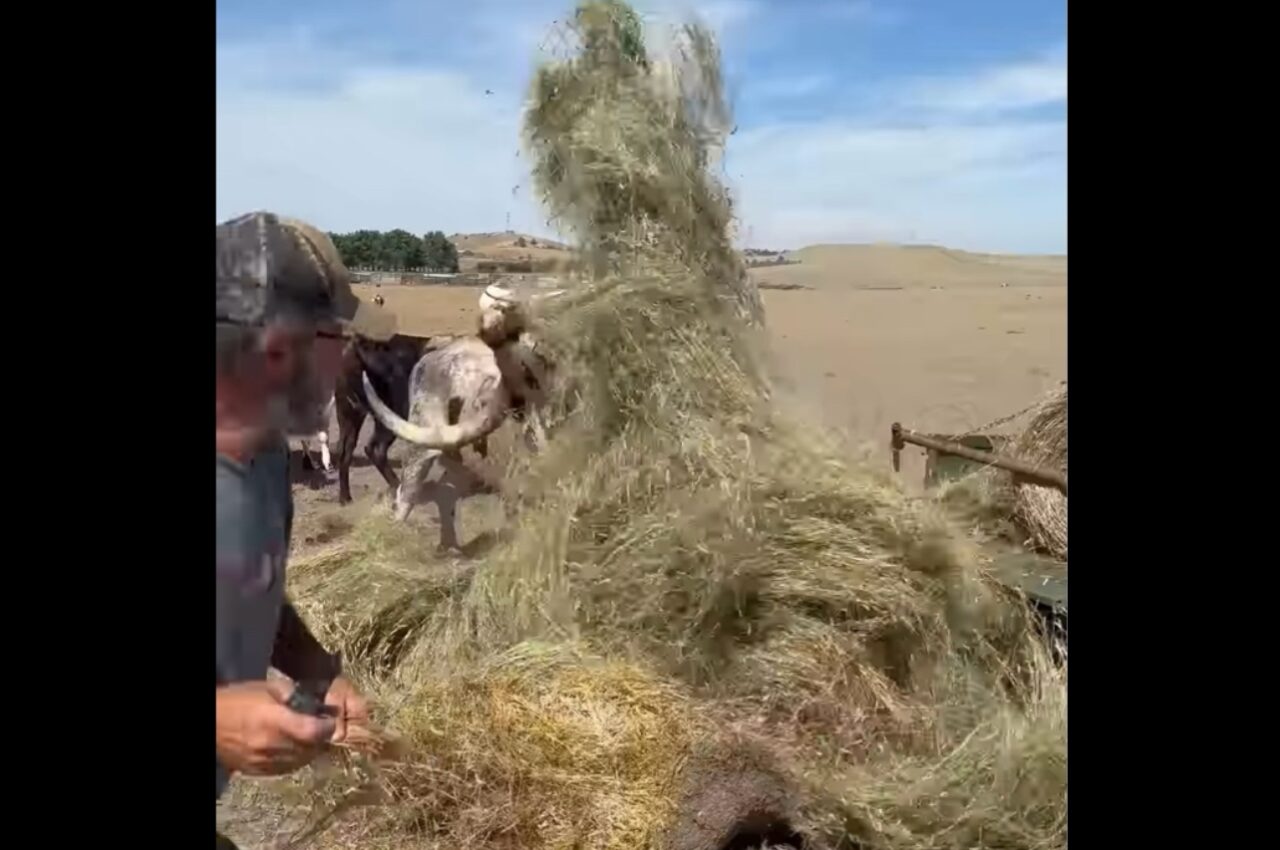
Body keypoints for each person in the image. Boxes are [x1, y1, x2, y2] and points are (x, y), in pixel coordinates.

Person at [215, 212, 395, 845]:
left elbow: (246, 585)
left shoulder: (267, 461)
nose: (345, 354)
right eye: (334, 335)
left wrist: (319, 673)